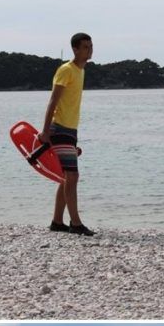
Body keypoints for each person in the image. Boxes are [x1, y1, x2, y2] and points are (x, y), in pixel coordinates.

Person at [40, 32, 94, 236]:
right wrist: (45, 131)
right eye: (85, 47)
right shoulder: (66, 70)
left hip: (71, 130)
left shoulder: (81, 71)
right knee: (72, 176)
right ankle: (76, 223)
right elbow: (53, 101)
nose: (89, 50)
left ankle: (57, 221)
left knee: (66, 177)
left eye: (91, 46)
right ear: (75, 49)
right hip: (60, 128)